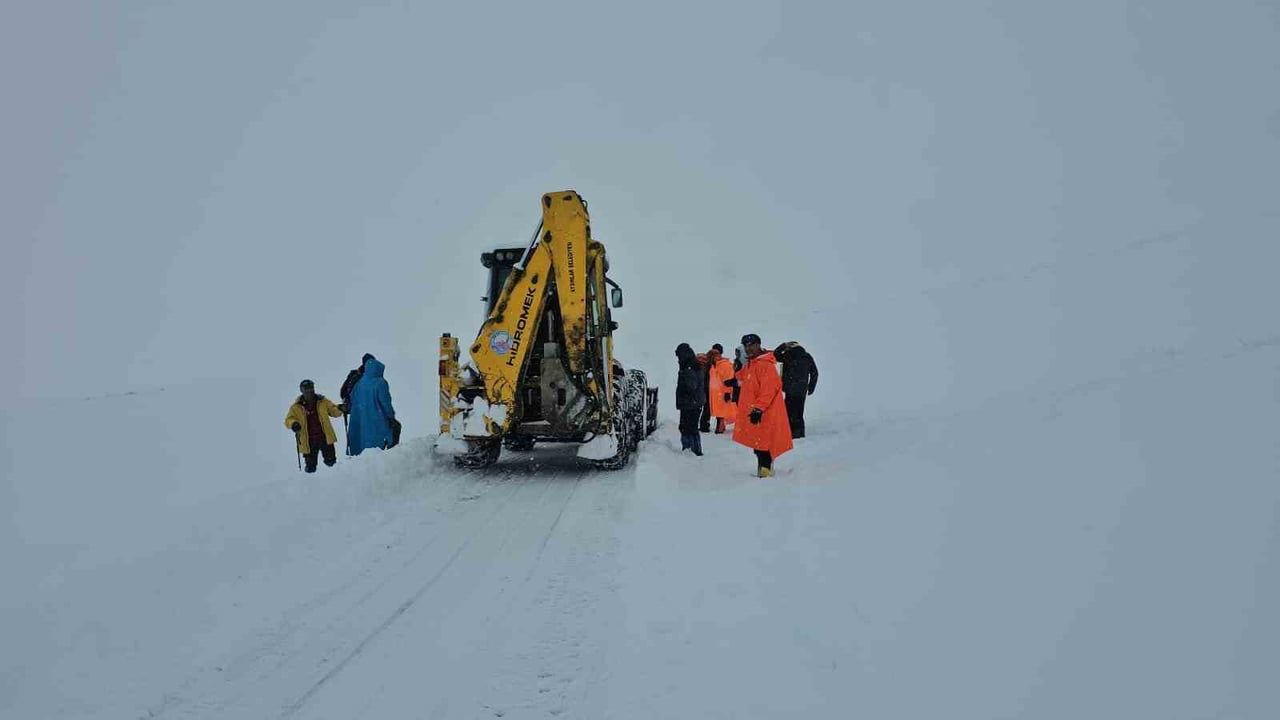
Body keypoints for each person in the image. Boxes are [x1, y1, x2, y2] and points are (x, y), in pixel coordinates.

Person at [728, 334, 792, 477]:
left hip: (765, 412)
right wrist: (734, 380)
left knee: (764, 444)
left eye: (751, 345)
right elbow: (745, 375)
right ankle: (763, 470)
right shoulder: (753, 363)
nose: (748, 348)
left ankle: (766, 473)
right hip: (757, 410)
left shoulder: (766, 365)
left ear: (758, 345)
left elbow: (768, 390)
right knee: (758, 444)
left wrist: (758, 408)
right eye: (746, 346)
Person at [284, 379, 346, 473]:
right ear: (302, 390)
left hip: (325, 437)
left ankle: (336, 478)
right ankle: (309, 481)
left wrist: (340, 408)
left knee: (331, 462)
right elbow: (288, 420)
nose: (309, 391)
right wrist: (294, 424)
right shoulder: (296, 407)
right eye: (306, 389)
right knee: (310, 467)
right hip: (308, 441)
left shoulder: (323, 401)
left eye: (311, 388)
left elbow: (333, 410)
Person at [347, 356, 400, 456]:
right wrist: (391, 417)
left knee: (364, 441)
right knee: (393, 431)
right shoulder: (381, 383)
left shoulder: (360, 382)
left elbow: (352, 398)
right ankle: (392, 457)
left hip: (361, 418)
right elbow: (385, 402)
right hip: (377, 419)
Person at [773, 341, 819, 438]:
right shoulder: (807, 356)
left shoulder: (787, 355)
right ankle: (799, 432)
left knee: (788, 410)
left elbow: (774, 355)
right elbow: (814, 372)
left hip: (790, 388)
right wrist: (811, 387)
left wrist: (783, 345)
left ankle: (790, 431)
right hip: (802, 389)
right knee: (799, 411)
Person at [674, 343, 705, 456]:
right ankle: (693, 450)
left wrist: (683, 390)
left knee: (687, 428)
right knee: (690, 427)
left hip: (690, 403)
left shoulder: (688, 367)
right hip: (694, 402)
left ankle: (690, 450)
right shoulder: (693, 364)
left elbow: (691, 386)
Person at [706, 344, 736, 434]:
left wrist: (727, 392)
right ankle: (721, 427)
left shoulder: (725, 365)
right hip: (715, 394)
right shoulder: (713, 366)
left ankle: (720, 429)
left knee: (722, 412)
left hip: (722, 393)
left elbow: (729, 380)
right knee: (719, 412)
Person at [696, 351, 713, 433]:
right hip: (707, 389)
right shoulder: (709, 367)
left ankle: (699, 425)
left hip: (702, 390)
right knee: (706, 409)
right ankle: (704, 425)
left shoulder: (697, 368)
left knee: (700, 408)